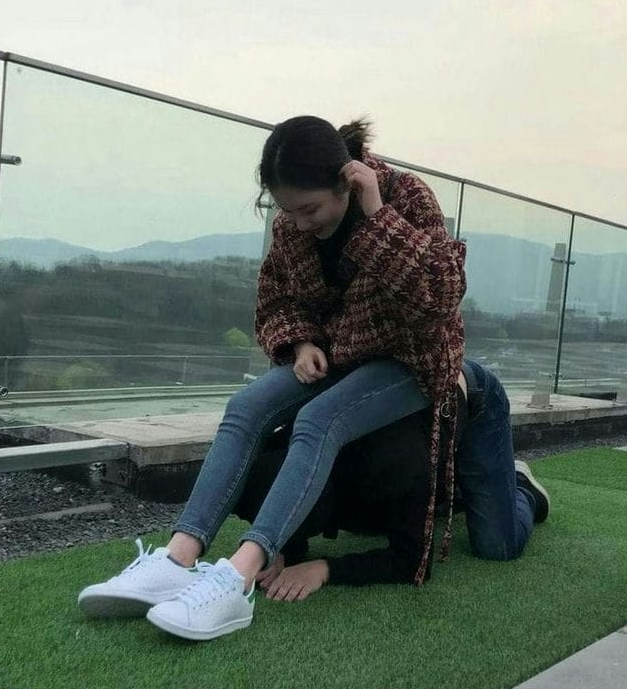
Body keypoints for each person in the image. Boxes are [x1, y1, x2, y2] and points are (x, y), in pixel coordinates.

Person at [78, 117, 466, 640]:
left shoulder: (405, 196)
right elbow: (276, 300)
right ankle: (177, 558)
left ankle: (237, 577)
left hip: (410, 361)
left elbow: (442, 295)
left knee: (319, 419)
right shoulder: (290, 228)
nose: (300, 223)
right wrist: (300, 343)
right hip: (336, 356)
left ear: (345, 182)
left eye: (310, 209)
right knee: (245, 408)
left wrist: (377, 216)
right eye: (288, 211)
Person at [236, 359, 550, 601]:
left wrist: (324, 569)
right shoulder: (290, 445)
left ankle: (520, 486)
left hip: (472, 401)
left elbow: (413, 561)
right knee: (390, 513)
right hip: (412, 433)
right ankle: (453, 494)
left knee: (497, 546)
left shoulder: (395, 458)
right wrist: (276, 549)